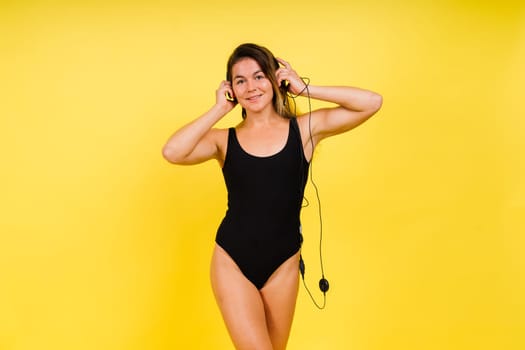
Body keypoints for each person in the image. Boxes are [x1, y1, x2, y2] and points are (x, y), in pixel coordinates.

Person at [162, 43, 382, 350]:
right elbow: (173, 151)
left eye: (259, 76)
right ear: (231, 90)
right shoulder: (223, 140)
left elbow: (371, 102)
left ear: (275, 79)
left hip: (284, 263)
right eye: (240, 81)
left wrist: (306, 87)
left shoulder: (304, 130)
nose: (251, 87)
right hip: (232, 260)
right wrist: (218, 110)